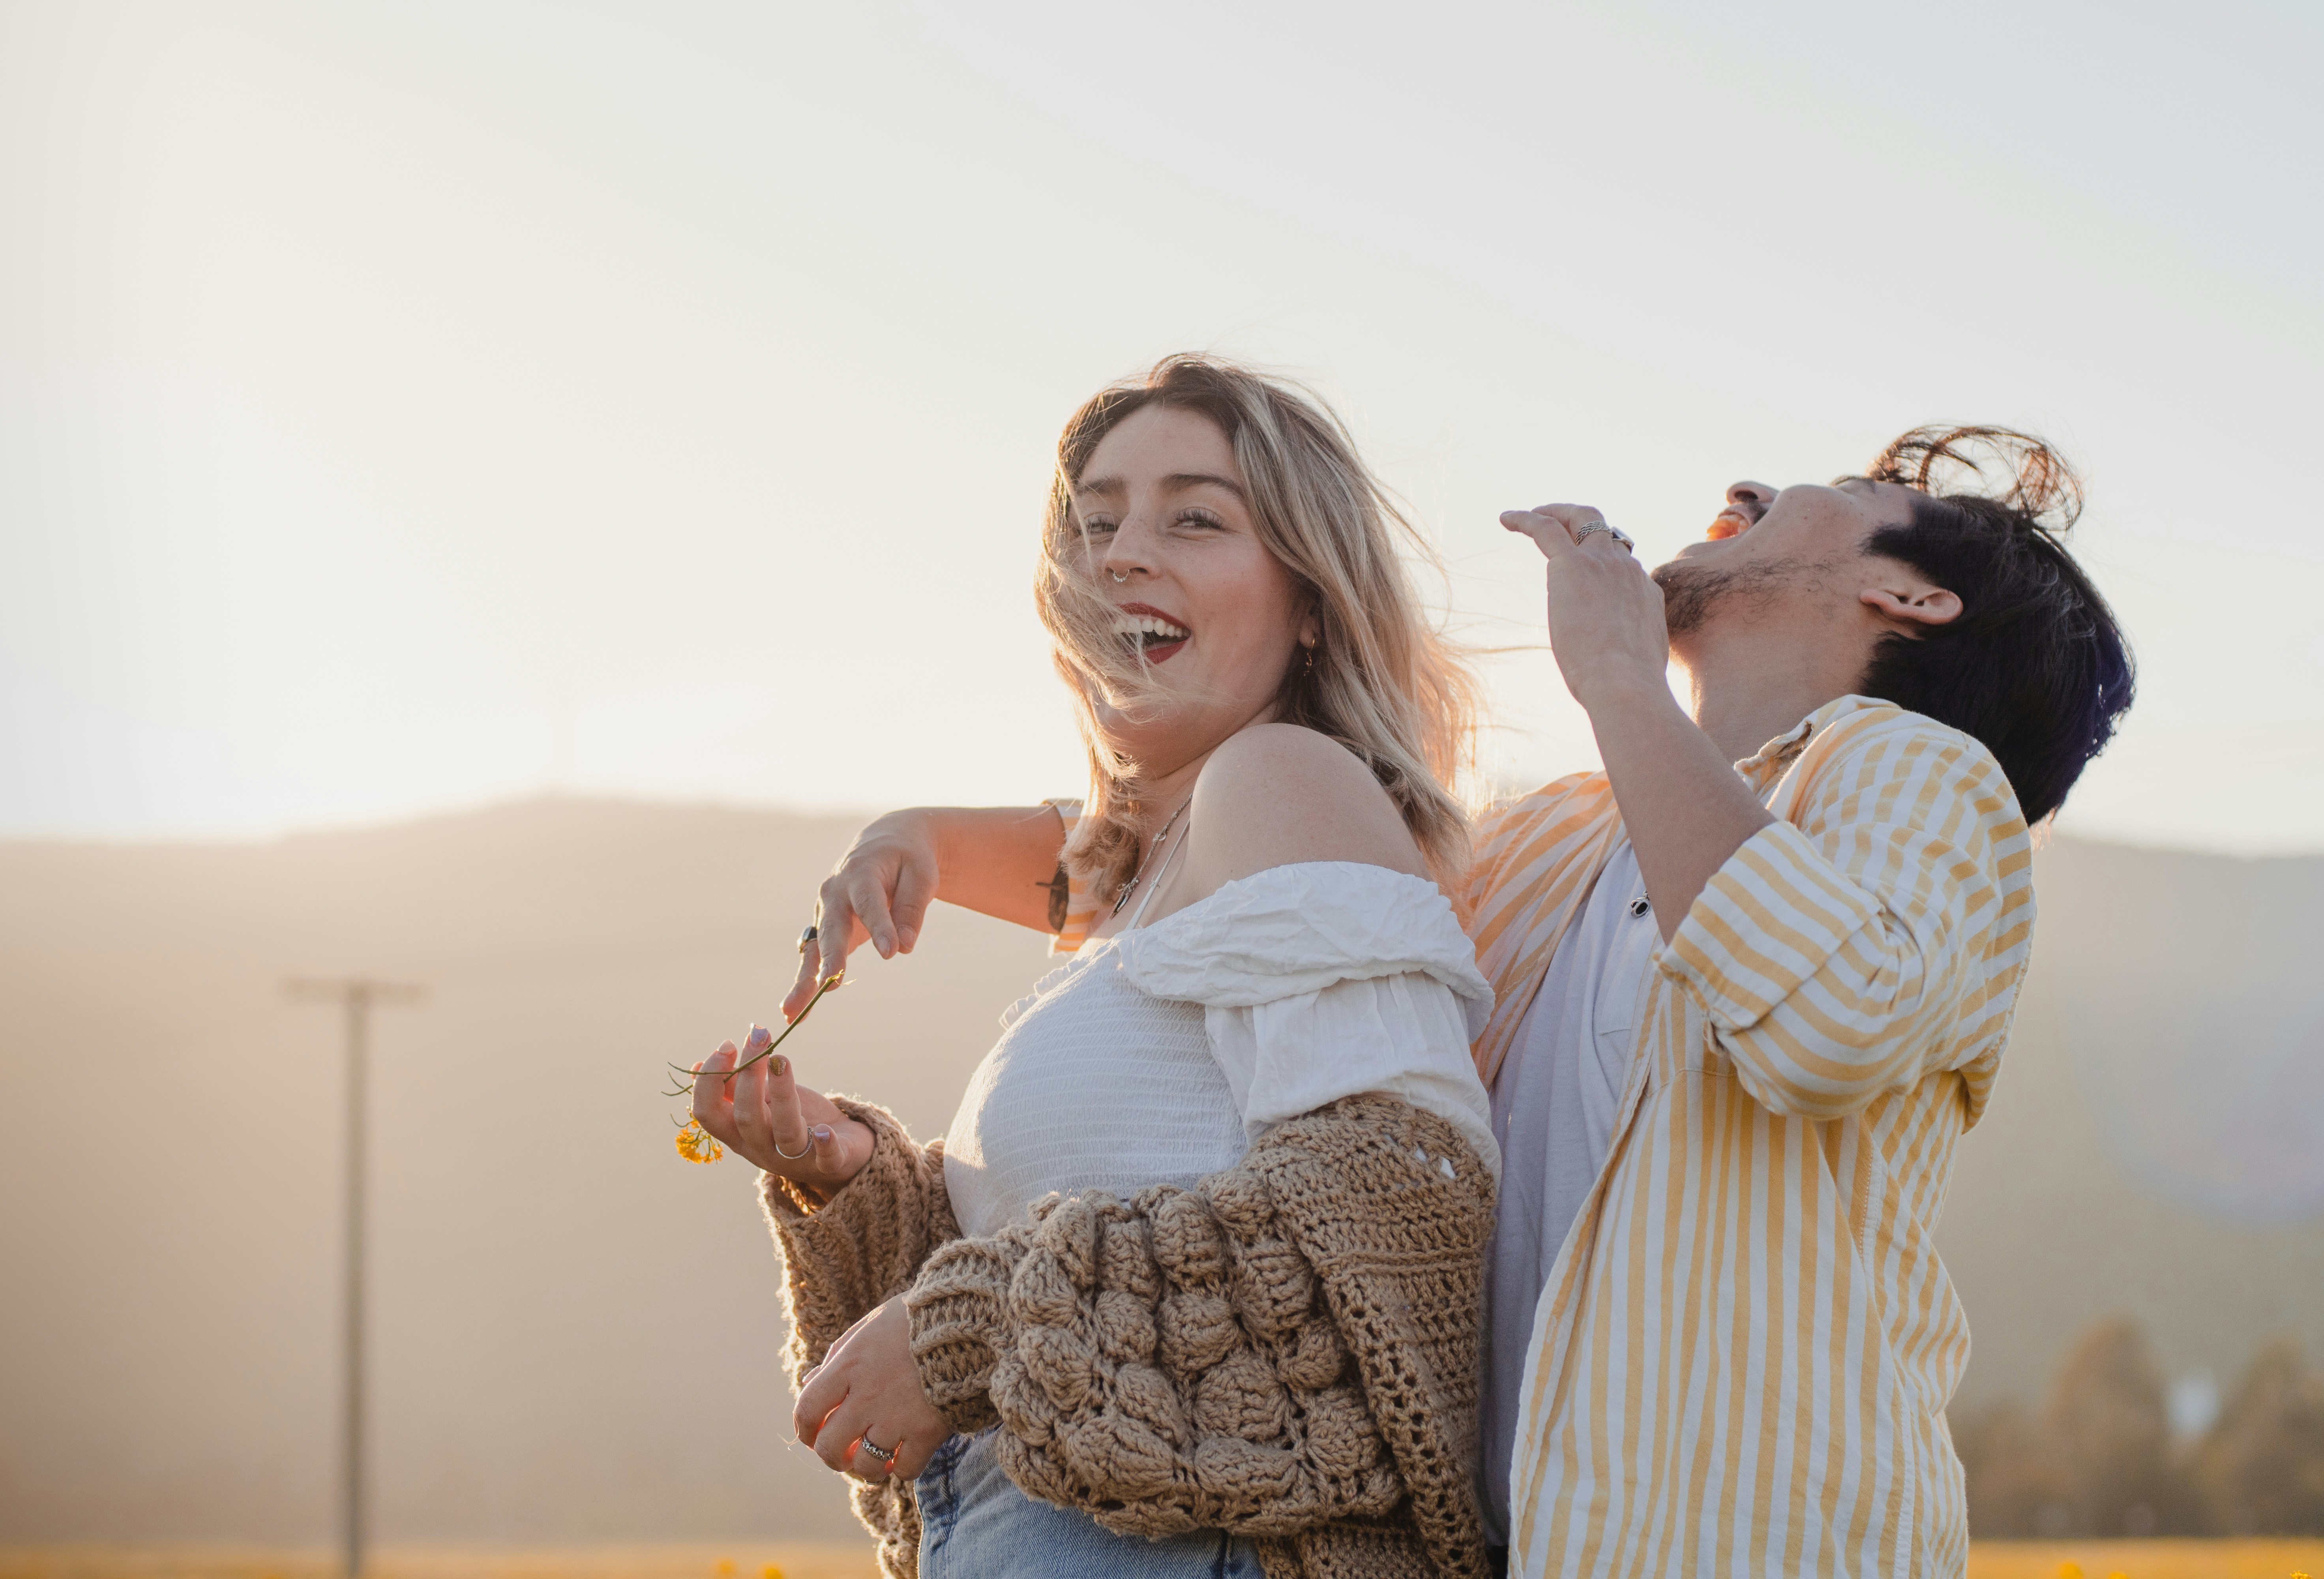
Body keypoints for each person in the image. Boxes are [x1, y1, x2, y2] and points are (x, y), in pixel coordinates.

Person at [799, 426, 2135, 1577]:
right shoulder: (1560, 835)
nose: (1745, 484)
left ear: (1910, 595)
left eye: (1827, 490)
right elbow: (1250, 873)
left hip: (1759, 1531)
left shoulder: (1909, 775)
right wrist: (927, 832)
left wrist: (1616, 675)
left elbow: (1834, 1021)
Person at [689, 356, 1508, 1579]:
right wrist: (859, 1180)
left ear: (1311, 602)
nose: (1123, 553)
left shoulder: (1282, 783)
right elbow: (1095, 1279)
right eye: (1095, 522)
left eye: (1196, 516)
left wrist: (956, 1335)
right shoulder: (1146, 888)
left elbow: (1391, 1225)